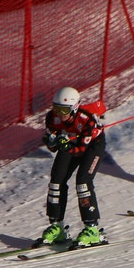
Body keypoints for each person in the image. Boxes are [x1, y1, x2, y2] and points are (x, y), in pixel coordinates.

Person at [38, 86, 107, 247]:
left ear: (74, 108)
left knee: (83, 182)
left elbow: (81, 150)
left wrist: (66, 146)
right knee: (56, 181)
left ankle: (92, 229)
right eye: (56, 109)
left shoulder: (87, 120)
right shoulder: (51, 117)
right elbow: (53, 146)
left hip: (92, 146)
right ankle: (57, 226)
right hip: (69, 143)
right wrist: (51, 142)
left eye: (64, 110)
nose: (60, 114)